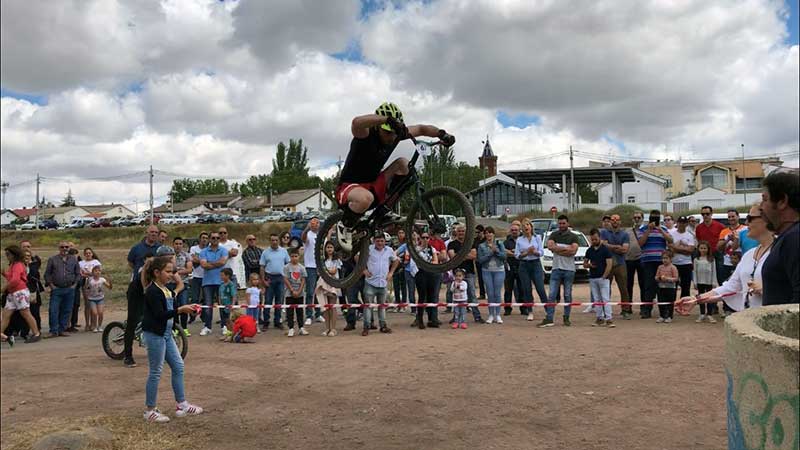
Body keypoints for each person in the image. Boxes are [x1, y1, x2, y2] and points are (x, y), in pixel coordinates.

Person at [334, 102, 455, 251]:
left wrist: (442, 134)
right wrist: (385, 119)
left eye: (394, 134)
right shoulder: (365, 134)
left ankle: (385, 209)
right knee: (366, 198)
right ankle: (344, 224)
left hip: (372, 184)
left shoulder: (397, 134)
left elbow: (421, 129)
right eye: (387, 133)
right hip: (349, 187)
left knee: (404, 164)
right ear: (378, 127)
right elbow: (356, 122)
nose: (391, 137)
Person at [678, 203, 775, 316]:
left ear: (768, 219)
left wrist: (767, 290)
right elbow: (730, 287)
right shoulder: (749, 255)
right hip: (750, 320)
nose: (747, 223)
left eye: (750, 218)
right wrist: (696, 299)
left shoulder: (783, 252)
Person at [140, 256, 203, 423]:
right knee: (155, 371)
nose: (171, 275)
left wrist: (186, 309)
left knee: (178, 365)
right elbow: (160, 315)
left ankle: (181, 403)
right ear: (156, 272)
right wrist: (180, 310)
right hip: (155, 335)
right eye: (168, 271)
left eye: (172, 271)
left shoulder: (166, 289)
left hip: (167, 335)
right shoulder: (153, 291)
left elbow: (170, 311)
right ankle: (150, 410)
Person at [759, 170, 799, 305]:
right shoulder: (787, 237)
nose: (761, 207)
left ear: (782, 201)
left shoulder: (795, 238)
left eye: (765, 199)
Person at [124, 226, 161, 365]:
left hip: (152, 287)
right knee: (132, 321)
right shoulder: (137, 248)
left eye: (156, 233)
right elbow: (130, 262)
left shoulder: (159, 248)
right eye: (152, 232)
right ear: (147, 233)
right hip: (137, 289)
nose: (154, 234)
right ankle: (128, 356)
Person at [541, 215, 579, 328]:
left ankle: (566, 317)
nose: (561, 225)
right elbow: (550, 246)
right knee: (552, 294)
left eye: (563, 223)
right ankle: (549, 318)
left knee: (567, 295)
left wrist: (557, 249)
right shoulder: (554, 234)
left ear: (568, 223)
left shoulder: (574, 236)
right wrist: (566, 249)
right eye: (560, 223)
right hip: (556, 268)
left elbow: (573, 251)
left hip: (569, 269)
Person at [636, 210, 673, 319]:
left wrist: (660, 229)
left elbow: (670, 240)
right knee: (648, 286)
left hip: (661, 262)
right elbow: (640, 243)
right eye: (653, 218)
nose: (654, 220)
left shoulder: (664, 229)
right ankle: (647, 310)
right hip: (647, 261)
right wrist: (649, 230)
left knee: (662, 286)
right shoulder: (643, 229)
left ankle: (664, 311)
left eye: (656, 218)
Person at [1, 245, 42, 344]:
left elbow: (15, 280)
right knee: (6, 314)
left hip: (19, 292)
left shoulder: (18, 265)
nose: (7, 256)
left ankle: (36, 333)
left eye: (8, 254)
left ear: (14, 254)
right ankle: (1, 333)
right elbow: (12, 278)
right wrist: (4, 274)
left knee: (26, 313)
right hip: (13, 293)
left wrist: (4, 288)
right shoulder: (14, 265)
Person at [361, 232, 399, 335]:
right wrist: (363, 270)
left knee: (382, 306)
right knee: (368, 306)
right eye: (378, 241)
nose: (380, 243)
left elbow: (396, 261)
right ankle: (366, 327)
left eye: (382, 241)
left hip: (383, 283)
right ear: (374, 241)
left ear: (384, 241)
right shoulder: (368, 249)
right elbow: (357, 258)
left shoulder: (389, 250)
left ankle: (383, 326)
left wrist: (391, 272)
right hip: (370, 282)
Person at [44, 241, 81, 338]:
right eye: (62, 247)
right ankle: (53, 330)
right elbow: (47, 274)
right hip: (57, 289)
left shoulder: (74, 259)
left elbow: (78, 273)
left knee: (67, 310)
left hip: (69, 289)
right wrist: (52, 286)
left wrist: (74, 285)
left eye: (66, 247)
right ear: (59, 248)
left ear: (69, 248)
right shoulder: (52, 259)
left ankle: (62, 329)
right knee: (53, 310)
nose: (64, 249)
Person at [447, 224, 483, 323]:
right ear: (456, 232)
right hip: (457, 273)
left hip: (469, 272)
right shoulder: (451, 244)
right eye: (459, 231)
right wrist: (465, 255)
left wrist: (459, 255)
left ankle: (477, 316)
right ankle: (456, 317)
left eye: (463, 231)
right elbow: (452, 257)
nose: (461, 233)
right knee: (456, 295)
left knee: (472, 294)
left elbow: (473, 256)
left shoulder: (471, 243)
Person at [694, 206, 725, 315]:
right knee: (706, 281)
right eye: (703, 214)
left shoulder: (720, 226)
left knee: (720, 280)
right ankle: (711, 306)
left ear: (711, 214)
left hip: (717, 254)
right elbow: (698, 241)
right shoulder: (699, 228)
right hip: (704, 254)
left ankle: (725, 306)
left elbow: (723, 241)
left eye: (707, 214)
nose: (705, 216)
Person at [516, 219, 548, 321]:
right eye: (524, 226)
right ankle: (530, 311)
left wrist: (534, 252)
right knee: (527, 289)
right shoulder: (519, 240)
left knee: (540, 288)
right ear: (522, 229)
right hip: (524, 265)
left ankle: (548, 310)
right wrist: (526, 253)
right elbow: (517, 255)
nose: (526, 227)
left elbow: (541, 252)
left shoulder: (537, 237)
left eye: (527, 225)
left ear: (531, 226)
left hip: (535, 264)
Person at [599, 214, 630, 319]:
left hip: (620, 264)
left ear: (620, 222)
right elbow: (603, 245)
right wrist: (617, 247)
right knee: (606, 288)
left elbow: (625, 249)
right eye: (613, 220)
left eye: (617, 220)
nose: (615, 221)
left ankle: (625, 310)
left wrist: (610, 246)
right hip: (607, 264)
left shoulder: (624, 234)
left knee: (623, 288)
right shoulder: (604, 233)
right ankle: (606, 311)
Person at [198, 232, 228, 336]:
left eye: (217, 237)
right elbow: (203, 265)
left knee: (222, 304)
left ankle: (224, 325)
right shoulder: (203, 251)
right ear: (210, 239)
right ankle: (207, 326)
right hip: (207, 282)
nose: (215, 239)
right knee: (207, 305)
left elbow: (223, 262)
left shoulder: (224, 250)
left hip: (221, 282)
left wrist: (210, 263)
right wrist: (217, 263)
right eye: (213, 237)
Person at [583, 229, 614, 328]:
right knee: (597, 299)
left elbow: (609, 264)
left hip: (603, 278)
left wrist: (604, 276)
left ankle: (608, 318)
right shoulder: (589, 250)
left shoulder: (605, 249)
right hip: (593, 278)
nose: (594, 241)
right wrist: (589, 265)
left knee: (605, 298)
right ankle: (599, 318)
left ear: (599, 237)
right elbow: (584, 264)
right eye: (592, 240)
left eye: (595, 239)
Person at [259, 234, 290, 331]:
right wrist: (263, 280)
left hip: (280, 278)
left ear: (278, 240)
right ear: (270, 241)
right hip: (269, 277)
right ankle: (266, 322)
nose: (274, 242)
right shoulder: (265, 252)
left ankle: (278, 321)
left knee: (279, 301)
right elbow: (262, 267)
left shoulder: (284, 251)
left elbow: (288, 264)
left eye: (276, 240)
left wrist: (287, 278)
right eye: (272, 240)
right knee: (268, 301)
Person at [477, 226, 506, 324]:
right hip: (487, 270)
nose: (489, 234)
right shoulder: (481, 246)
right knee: (489, 293)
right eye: (487, 233)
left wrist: (496, 251)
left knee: (497, 293)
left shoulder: (499, 243)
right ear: (485, 235)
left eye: (490, 232)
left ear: (493, 234)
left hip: (499, 270)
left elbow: (504, 256)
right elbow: (480, 260)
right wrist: (490, 253)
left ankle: (497, 314)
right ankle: (490, 314)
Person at [413, 231, 440, 329]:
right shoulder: (416, 249)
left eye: (427, 237)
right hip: (421, 273)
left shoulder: (432, 249)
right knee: (421, 297)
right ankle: (420, 319)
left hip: (431, 273)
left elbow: (436, 261)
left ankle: (430, 319)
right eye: (423, 237)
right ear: (420, 238)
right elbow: (418, 261)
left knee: (430, 296)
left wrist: (430, 263)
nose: (425, 239)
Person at [315, 241, 341, 336]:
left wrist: (325, 271)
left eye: (331, 247)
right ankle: (327, 328)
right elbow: (319, 272)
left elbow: (333, 272)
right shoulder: (322, 260)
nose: (329, 249)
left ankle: (333, 328)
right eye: (328, 247)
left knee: (332, 306)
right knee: (325, 307)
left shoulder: (336, 260)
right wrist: (325, 272)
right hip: (323, 284)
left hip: (333, 284)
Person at [302, 217, 323, 326]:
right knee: (310, 292)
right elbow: (304, 239)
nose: (315, 224)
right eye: (313, 222)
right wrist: (306, 229)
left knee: (319, 291)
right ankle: (309, 315)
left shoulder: (321, 235)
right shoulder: (308, 234)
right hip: (310, 266)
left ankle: (318, 313)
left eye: (317, 222)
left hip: (320, 266)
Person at [669, 216, 696, 300]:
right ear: (677, 223)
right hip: (674, 263)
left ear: (686, 224)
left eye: (684, 223)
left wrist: (676, 248)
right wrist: (684, 249)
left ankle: (684, 305)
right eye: (680, 222)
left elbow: (691, 250)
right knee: (673, 286)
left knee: (686, 286)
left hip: (686, 263)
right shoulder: (672, 234)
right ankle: (671, 305)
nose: (682, 224)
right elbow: (670, 248)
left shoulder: (690, 235)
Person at [283, 248, 308, 337]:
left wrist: (299, 291)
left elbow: (303, 280)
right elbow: (285, 279)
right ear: (290, 257)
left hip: (300, 292)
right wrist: (292, 290)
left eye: (296, 256)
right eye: (292, 256)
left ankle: (301, 327)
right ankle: (291, 328)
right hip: (289, 293)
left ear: (299, 256)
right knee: (289, 311)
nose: (294, 258)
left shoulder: (302, 268)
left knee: (300, 310)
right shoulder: (286, 267)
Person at [692, 241, 718, 323]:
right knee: (701, 298)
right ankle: (702, 313)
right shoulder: (696, 260)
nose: (703, 250)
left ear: (708, 249)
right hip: (700, 282)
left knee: (709, 298)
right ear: (698, 249)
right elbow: (694, 272)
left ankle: (710, 314)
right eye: (701, 248)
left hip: (709, 282)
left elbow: (714, 271)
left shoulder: (712, 259)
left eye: (705, 248)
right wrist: (695, 282)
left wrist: (714, 282)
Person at [76, 247, 101, 331]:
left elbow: (98, 272)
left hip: (95, 284)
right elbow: (80, 273)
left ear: (92, 253)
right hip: (85, 284)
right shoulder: (80, 263)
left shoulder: (96, 262)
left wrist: (89, 273)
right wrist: (87, 274)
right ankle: (87, 324)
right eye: (86, 253)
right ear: (84, 254)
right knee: (87, 304)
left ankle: (94, 324)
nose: (88, 254)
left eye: (89, 253)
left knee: (94, 304)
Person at [625, 212, 645, 315]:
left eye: (639, 217)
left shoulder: (645, 230)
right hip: (629, 259)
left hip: (642, 259)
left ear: (642, 218)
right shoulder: (627, 231)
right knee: (628, 284)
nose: (637, 219)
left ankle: (643, 307)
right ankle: (628, 307)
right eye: (635, 217)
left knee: (643, 284)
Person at [718, 210, 745, 284]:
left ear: (738, 217)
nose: (731, 218)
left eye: (733, 216)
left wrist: (737, 239)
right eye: (729, 217)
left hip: (742, 261)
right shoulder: (724, 231)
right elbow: (719, 247)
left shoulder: (745, 229)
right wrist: (727, 239)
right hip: (727, 263)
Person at [172, 237, 193, 335]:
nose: (178, 246)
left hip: (184, 283)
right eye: (176, 243)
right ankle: (176, 328)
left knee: (184, 304)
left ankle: (184, 328)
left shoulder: (186, 255)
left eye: (180, 244)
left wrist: (176, 272)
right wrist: (181, 270)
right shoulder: (170, 255)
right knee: (174, 306)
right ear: (173, 244)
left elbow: (189, 270)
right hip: (171, 284)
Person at [188, 232, 208, 325]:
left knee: (205, 298)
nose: (204, 239)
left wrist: (199, 259)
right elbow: (193, 259)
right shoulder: (193, 248)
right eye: (203, 237)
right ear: (199, 239)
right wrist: (204, 261)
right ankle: (192, 315)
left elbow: (208, 260)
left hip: (206, 277)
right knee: (194, 298)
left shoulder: (209, 249)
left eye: (206, 238)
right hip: (196, 276)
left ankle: (204, 316)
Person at [84, 265, 111, 332]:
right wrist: (87, 296)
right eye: (96, 271)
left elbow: (109, 287)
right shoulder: (90, 280)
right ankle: (94, 326)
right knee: (94, 313)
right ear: (93, 272)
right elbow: (86, 288)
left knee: (101, 312)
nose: (98, 272)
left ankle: (99, 326)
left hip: (100, 298)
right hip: (92, 299)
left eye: (99, 271)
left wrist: (110, 281)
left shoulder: (102, 280)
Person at [654, 250, 679, 323]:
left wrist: (667, 279)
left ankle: (669, 316)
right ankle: (662, 316)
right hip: (661, 288)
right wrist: (659, 278)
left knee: (670, 303)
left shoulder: (673, 267)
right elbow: (656, 277)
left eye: (666, 258)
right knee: (661, 302)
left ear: (671, 259)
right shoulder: (660, 267)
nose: (664, 260)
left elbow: (676, 278)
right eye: (663, 258)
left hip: (671, 288)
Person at [503, 223, 521, 317]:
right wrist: (514, 253)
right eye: (512, 230)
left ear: (519, 231)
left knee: (522, 289)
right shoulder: (507, 241)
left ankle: (524, 308)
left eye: (516, 230)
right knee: (508, 289)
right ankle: (507, 308)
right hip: (509, 267)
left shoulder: (523, 240)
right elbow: (503, 251)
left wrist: (516, 252)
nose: (514, 232)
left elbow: (524, 251)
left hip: (521, 267)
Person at [391, 229, 408, 311]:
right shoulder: (394, 243)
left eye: (402, 232)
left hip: (404, 267)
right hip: (395, 267)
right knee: (396, 286)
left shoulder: (407, 244)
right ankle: (397, 303)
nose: (401, 234)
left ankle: (404, 304)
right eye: (399, 233)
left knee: (403, 286)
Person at [218, 268, 237, 336]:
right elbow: (219, 294)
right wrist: (219, 302)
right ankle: (224, 327)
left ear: (227, 276)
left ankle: (231, 329)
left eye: (222, 275)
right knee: (223, 317)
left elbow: (233, 295)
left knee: (228, 318)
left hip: (228, 304)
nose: (221, 277)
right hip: (222, 304)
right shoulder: (221, 284)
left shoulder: (231, 285)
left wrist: (232, 304)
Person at [474, 224, 487, 299]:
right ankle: (482, 294)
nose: (477, 234)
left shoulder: (486, 240)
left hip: (486, 262)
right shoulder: (475, 240)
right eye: (476, 232)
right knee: (480, 278)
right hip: (478, 262)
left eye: (478, 232)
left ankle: (489, 293)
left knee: (487, 279)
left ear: (482, 232)